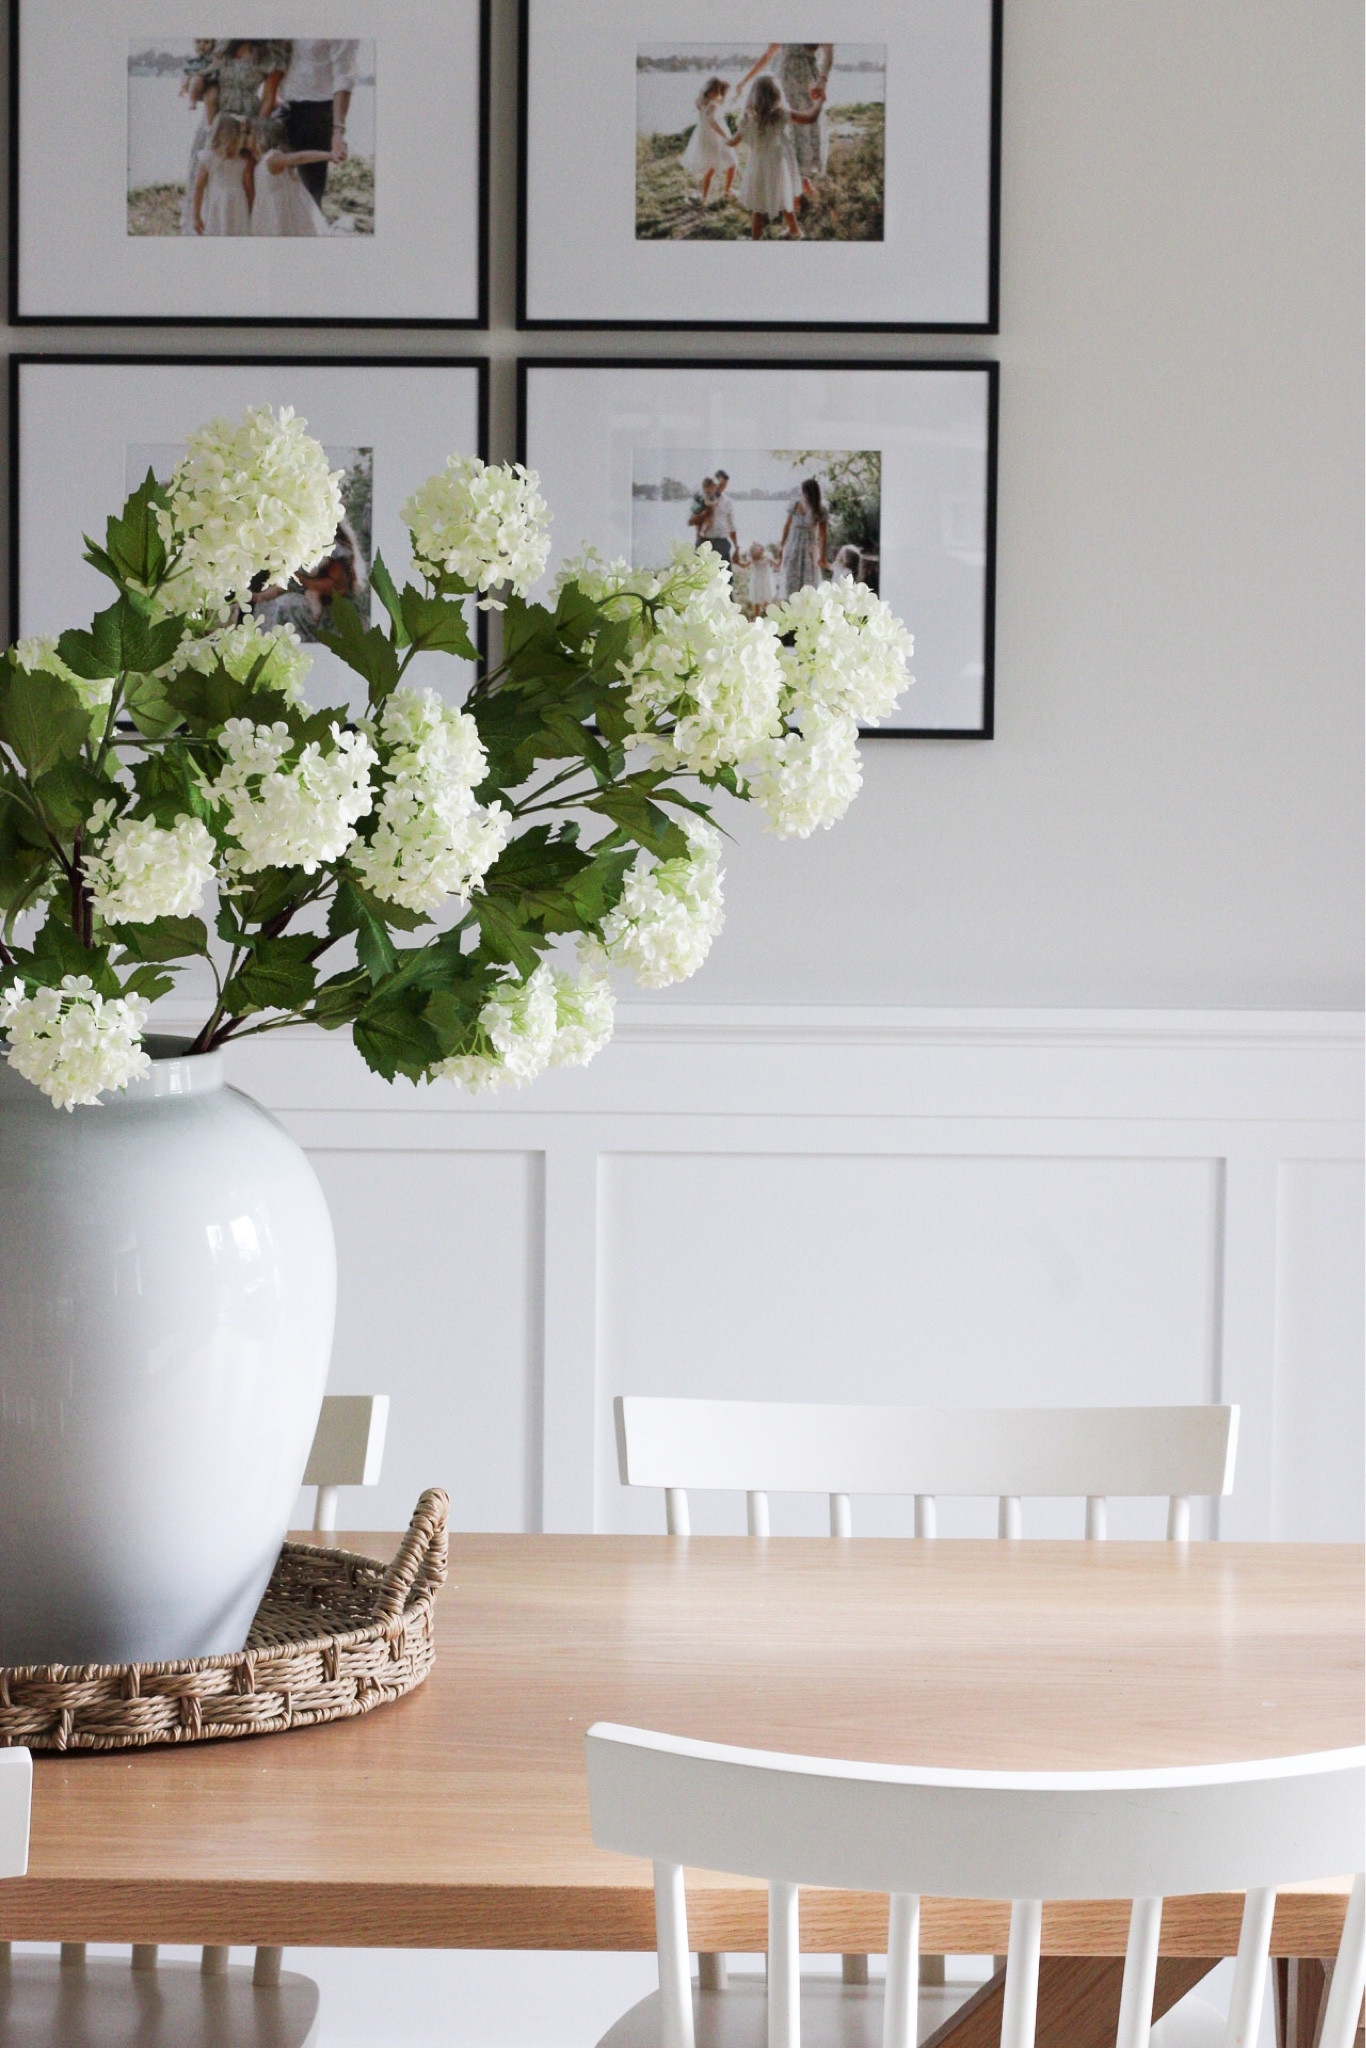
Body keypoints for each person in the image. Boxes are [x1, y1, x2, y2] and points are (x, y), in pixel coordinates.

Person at [737, 43, 833, 211]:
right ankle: (794, 192)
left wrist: (822, 81)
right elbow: (768, 55)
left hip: (808, 83)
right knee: (786, 135)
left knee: (807, 132)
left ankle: (802, 183)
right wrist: (745, 81)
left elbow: (828, 53)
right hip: (782, 86)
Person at [734, 73, 822, 240]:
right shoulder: (782, 114)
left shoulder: (749, 119)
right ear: (777, 94)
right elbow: (811, 117)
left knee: (759, 207)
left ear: (753, 95)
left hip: (759, 166)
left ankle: (756, 240)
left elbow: (733, 141)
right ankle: (795, 232)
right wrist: (819, 101)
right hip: (780, 165)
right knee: (785, 195)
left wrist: (723, 141)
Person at [278, 40, 359, 206]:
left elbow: (344, 76)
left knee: (308, 196)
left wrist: (338, 132)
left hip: (316, 114)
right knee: (278, 191)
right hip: (282, 109)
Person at [249, 115, 339, 237]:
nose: (247, 137)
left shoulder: (272, 159)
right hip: (267, 211)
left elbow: (300, 157)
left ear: (262, 138)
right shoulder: (263, 161)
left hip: (276, 213)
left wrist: (329, 155)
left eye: (250, 134)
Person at [193, 113, 253, 237]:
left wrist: (196, 216)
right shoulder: (243, 159)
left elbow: (199, 187)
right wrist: (253, 209)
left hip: (220, 200)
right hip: (235, 200)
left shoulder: (209, 158)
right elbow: (249, 188)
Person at [680, 76, 737, 206]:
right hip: (715, 137)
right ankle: (727, 191)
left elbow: (718, 106)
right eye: (719, 91)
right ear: (713, 91)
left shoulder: (701, 101)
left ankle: (705, 198)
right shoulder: (712, 105)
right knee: (732, 163)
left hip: (703, 136)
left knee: (711, 168)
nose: (719, 94)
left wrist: (726, 93)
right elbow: (712, 121)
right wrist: (725, 136)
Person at [778, 478, 829, 596]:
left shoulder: (820, 509)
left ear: (810, 492)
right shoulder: (795, 504)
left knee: (808, 580)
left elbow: (823, 536)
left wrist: (823, 556)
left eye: (804, 492)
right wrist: (781, 545)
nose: (801, 494)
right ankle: (790, 606)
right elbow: (787, 525)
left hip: (809, 548)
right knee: (791, 577)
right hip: (793, 545)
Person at [707, 470, 740, 564]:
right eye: (720, 484)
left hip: (722, 542)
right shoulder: (704, 499)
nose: (722, 487)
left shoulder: (728, 502)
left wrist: (736, 547)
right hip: (706, 542)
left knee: (725, 577)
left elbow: (731, 525)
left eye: (724, 485)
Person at [745, 540, 775, 615]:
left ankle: (765, 611)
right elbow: (745, 565)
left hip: (765, 580)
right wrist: (737, 562)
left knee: (766, 596)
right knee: (756, 599)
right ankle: (757, 615)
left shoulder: (767, 558)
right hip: (756, 580)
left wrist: (780, 558)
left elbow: (776, 565)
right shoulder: (752, 560)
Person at [688, 477, 718, 550]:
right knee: (703, 525)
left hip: (705, 513)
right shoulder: (704, 495)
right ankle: (701, 534)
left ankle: (702, 534)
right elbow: (707, 503)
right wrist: (714, 503)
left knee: (706, 524)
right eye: (710, 487)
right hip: (702, 512)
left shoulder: (710, 494)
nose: (711, 489)